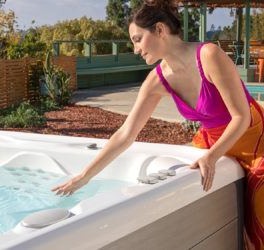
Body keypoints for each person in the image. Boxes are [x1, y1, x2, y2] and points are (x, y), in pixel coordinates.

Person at [51, 0, 264, 249]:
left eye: (138, 39)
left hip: (254, 140)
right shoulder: (156, 81)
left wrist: (212, 157)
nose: (136, 49)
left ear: (160, 30)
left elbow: (241, 117)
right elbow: (126, 134)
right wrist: (84, 177)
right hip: (214, 142)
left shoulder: (208, 56)